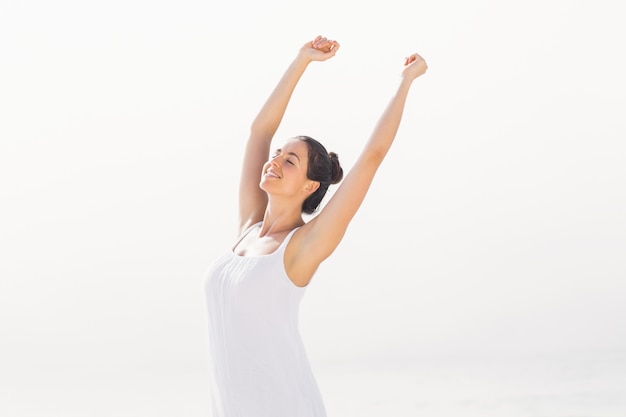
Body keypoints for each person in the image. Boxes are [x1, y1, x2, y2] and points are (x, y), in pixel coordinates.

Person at [204, 35, 427, 417]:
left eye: (289, 161)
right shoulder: (248, 228)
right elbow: (260, 131)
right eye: (277, 154)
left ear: (310, 186)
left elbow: (371, 158)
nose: (274, 161)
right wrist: (300, 62)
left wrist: (406, 82)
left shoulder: (302, 247)